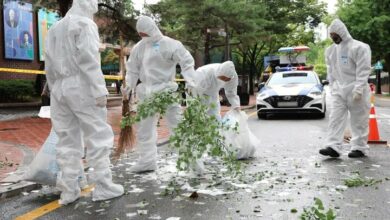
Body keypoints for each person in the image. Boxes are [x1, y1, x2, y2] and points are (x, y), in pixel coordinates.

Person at [45, 0, 123, 205]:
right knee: (98, 134)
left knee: (66, 139)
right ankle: (104, 186)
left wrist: (54, 88)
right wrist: (99, 90)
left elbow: (49, 62)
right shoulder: (85, 24)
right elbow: (89, 60)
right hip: (81, 84)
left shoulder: (55, 28)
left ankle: (69, 190)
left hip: (60, 89)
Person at [122, 15, 196, 173]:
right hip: (146, 92)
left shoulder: (170, 44)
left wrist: (191, 81)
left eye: (145, 33)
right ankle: (147, 161)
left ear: (152, 29)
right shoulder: (139, 48)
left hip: (166, 91)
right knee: (144, 128)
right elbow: (132, 69)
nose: (143, 36)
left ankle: (190, 160)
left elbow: (187, 61)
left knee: (177, 125)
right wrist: (129, 86)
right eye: (140, 34)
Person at [319, 19, 371, 158]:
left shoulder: (359, 47)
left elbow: (363, 69)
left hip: (356, 89)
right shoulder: (331, 50)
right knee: (335, 118)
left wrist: (359, 88)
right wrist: (332, 85)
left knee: (359, 120)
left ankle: (359, 147)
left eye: (335, 34)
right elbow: (331, 70)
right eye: (331, 35)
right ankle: (333, 147)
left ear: (342, 32)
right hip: (339, 89)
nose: (333, 37)